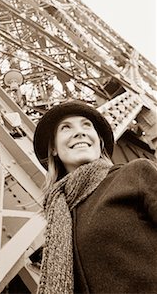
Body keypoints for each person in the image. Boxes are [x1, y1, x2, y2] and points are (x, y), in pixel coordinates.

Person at [33, 99, 157, 294]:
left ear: (99, 142)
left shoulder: (135, 174)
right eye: (66, 128)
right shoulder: (60, 215)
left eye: (87, 125)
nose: (79, 132)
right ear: (53, 149)